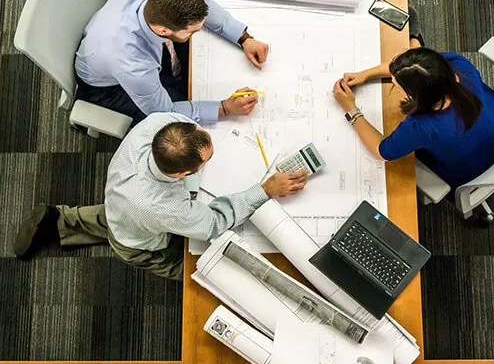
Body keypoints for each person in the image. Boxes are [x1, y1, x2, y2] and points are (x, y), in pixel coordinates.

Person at [14, 113, 308, 280]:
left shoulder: (160, 124)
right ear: (181, 174)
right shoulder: (164, 207)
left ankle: (60, 220)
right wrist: (265, 190)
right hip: (139, 242)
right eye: (207, 161)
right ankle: (199, 277)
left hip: (122, 201)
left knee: (118, 216)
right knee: (199, 270)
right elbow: (214, 223)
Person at [332, 8, 494, 192]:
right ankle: (415, 39)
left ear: (414, 96)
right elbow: (418, 68)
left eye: (397, 85)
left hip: (466, 169)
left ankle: (415, 39)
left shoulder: (421, 127)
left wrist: (351, 109)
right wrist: (365, 75)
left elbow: (382, 151)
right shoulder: (458, 66)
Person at [75, 0, 270, 125]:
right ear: (163, 30)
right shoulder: (132, 64)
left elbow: (204, 3)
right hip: (108, 87)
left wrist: (243, 38)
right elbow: (165, 112)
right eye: (192, 32)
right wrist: (225, 108)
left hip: (111, 42)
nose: (198, 33)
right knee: (178, 125)